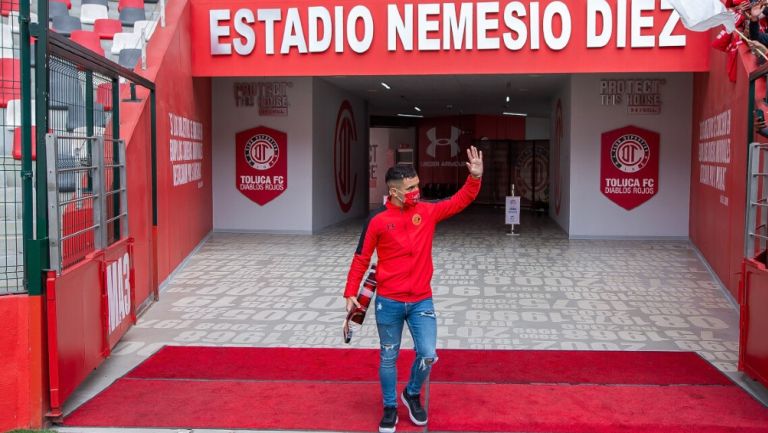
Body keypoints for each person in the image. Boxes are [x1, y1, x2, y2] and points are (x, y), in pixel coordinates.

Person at [344, 146, 483, 433]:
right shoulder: (377, 220)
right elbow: (361, 258)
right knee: (388, 356)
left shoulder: (427, 212)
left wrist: (475, 178)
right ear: (394, 192)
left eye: (417, 185)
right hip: (388, 303)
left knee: (428, 353)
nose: (417, 191)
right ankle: (390, 407)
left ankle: (412, 393)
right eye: (410, 188)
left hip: (421, 301)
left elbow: (460, 200)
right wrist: (350, 294)